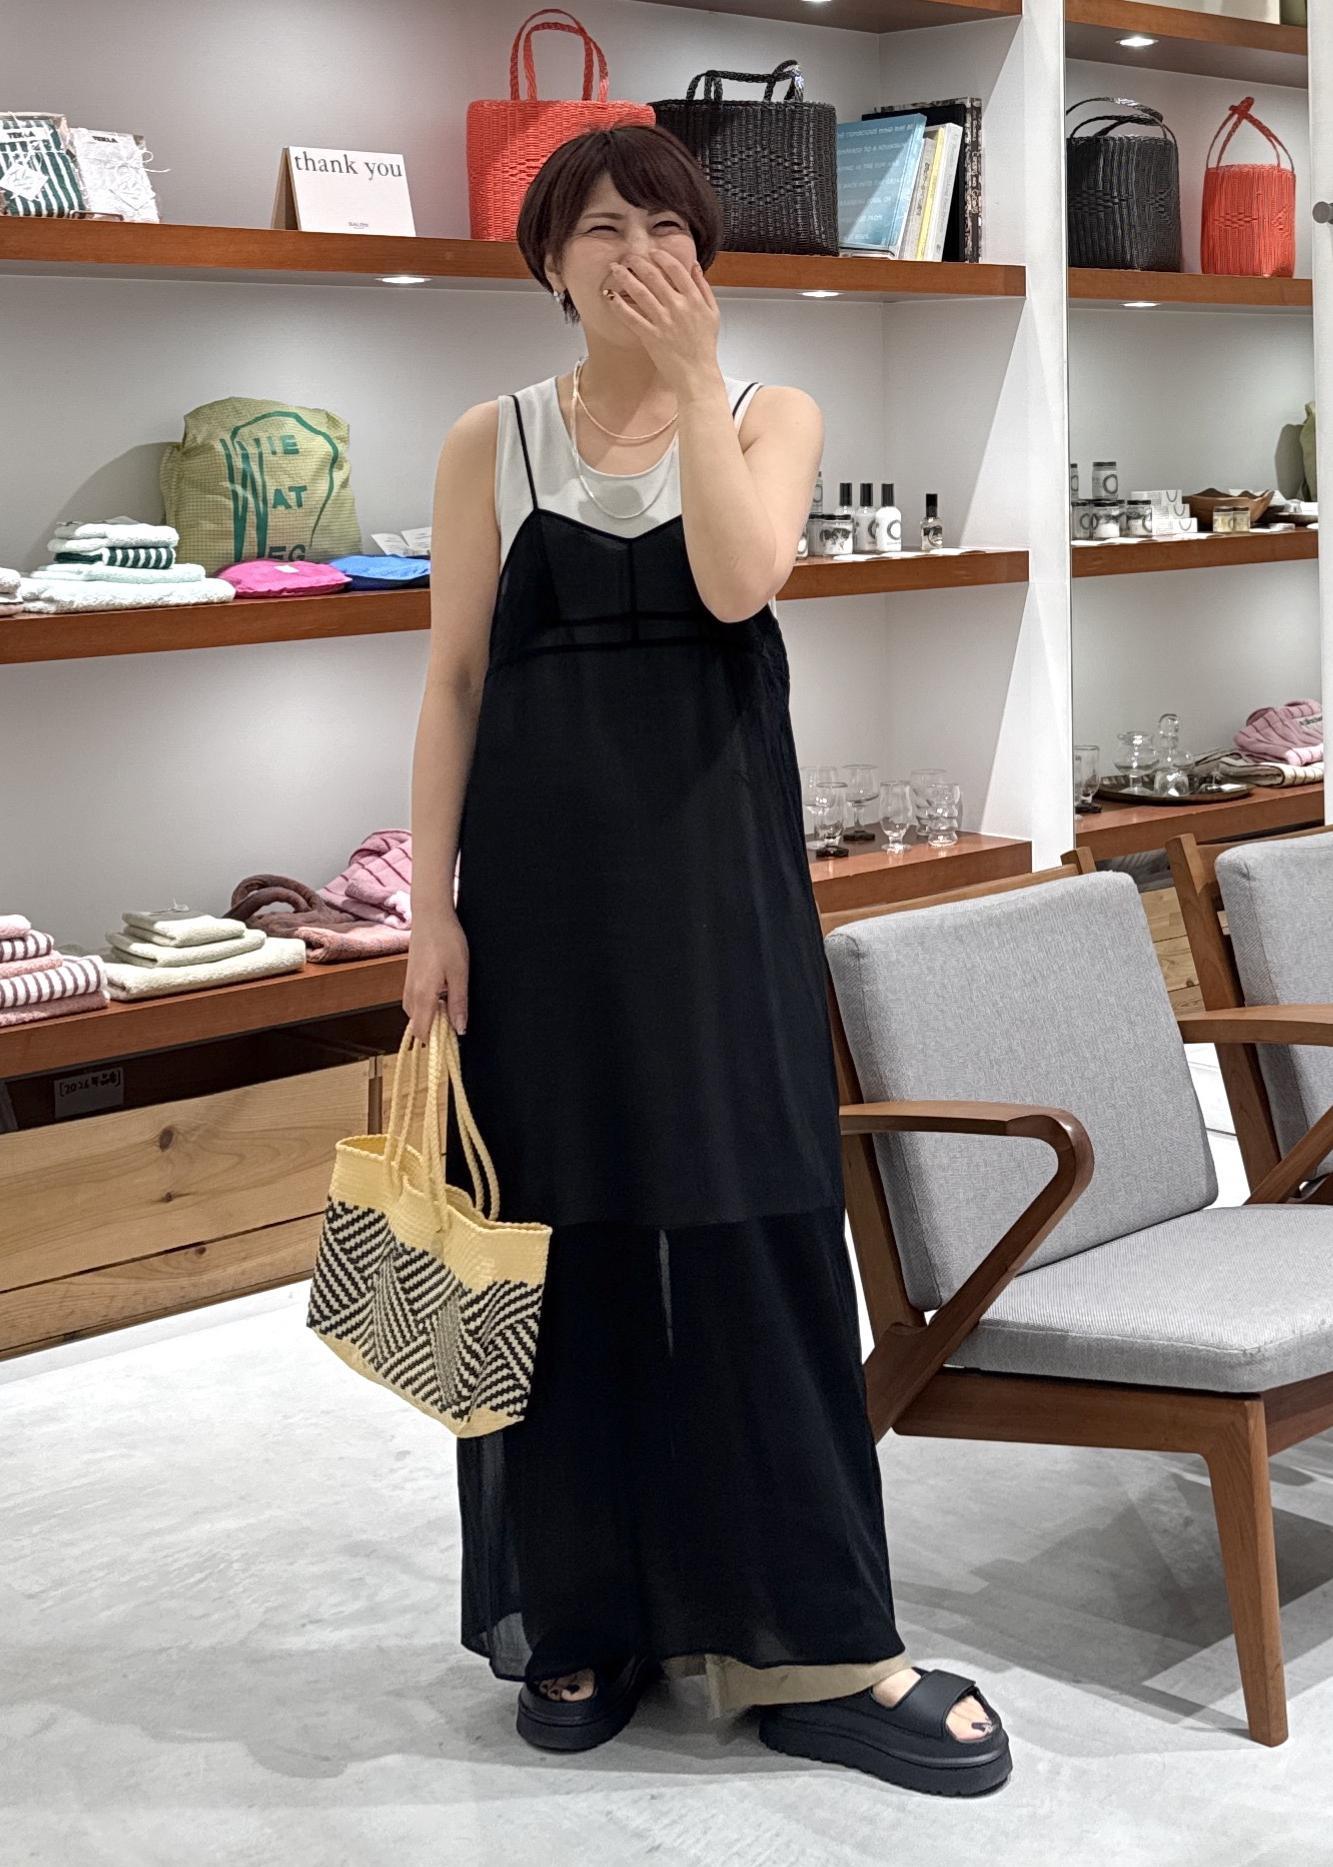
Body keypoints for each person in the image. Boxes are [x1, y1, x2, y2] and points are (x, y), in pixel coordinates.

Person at [402, 122, 1009, 1797]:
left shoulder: (765, 415)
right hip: (536, 904)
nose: (634, 251)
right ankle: (579, 1613)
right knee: (556, 1235)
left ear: (705, 253)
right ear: (546, 261)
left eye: (662, 224)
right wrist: (431, 910)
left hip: (716, 890)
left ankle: (813, 1645)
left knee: (753, 1222)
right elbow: (453, 679)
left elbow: (741, 586)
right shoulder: (487, 439)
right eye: (598, 227)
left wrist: (691, 377)